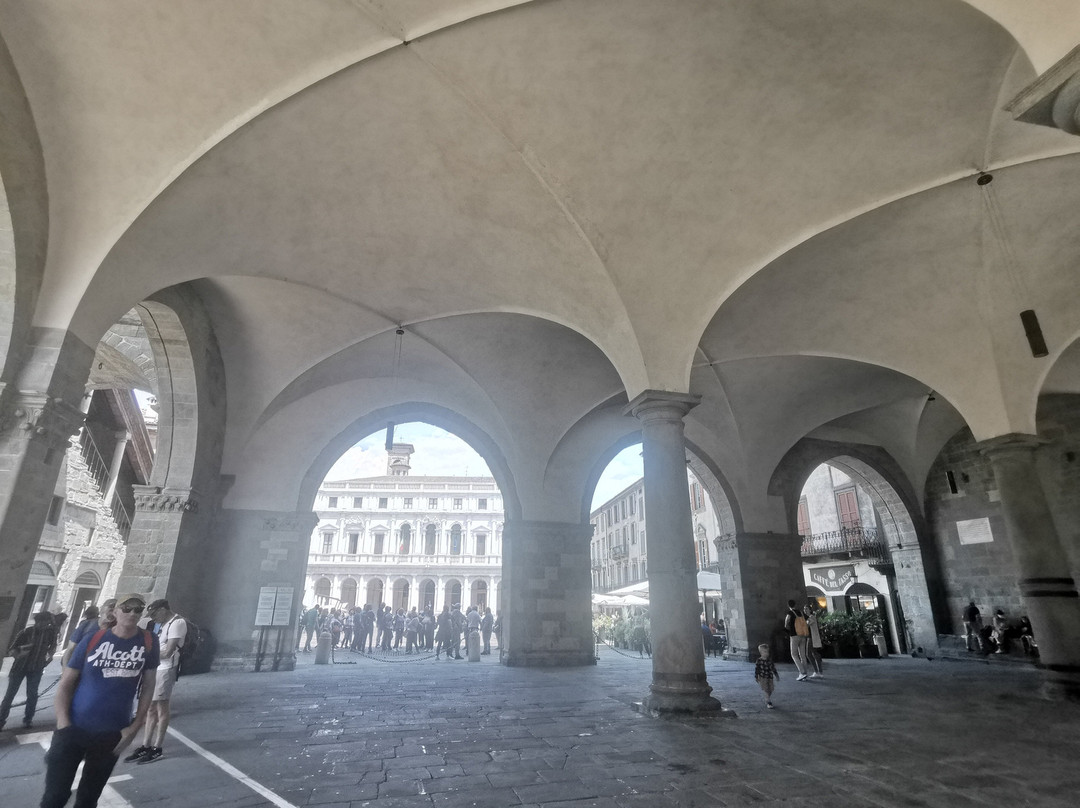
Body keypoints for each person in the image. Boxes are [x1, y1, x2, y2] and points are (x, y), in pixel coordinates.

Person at [39, 593, 158, 808]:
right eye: (127, 608)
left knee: (88, 799)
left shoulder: (149, 641)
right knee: (54, 797)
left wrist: (134, 727)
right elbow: (66, 684)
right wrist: (63, 724)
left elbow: (149, 685)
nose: (132, 613)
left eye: (138, 609)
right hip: (74, 728)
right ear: (115, 611)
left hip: (112, 732)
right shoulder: (93, 639)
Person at [126, 599, 186, 765]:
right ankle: (146, 745)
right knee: (151, 708)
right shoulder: (159, 624)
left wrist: (145, 653)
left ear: (163, 609)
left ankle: (157, 747)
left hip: (166, 669)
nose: (153, 618)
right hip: (154, 668)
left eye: (154, 614)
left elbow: (168, 652)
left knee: (161, 706)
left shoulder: (177, 623)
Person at [1, 611, 57, 731]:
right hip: (19, 668)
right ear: (39, 622)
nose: (46, 625)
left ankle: (28, 719)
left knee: (32, 695)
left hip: (36, 668)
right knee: (10, 695)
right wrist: (21, 651)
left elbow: (52, 648)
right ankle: (1, 720)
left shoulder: (51, 634)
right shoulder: (26, 632)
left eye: (47, 623)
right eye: (45, 623)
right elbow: (12, 650)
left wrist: (48, 658)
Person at [784, 599, 809, 681]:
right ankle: (805, 673)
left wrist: (788, 630)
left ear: (788, 605)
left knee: (794, 654)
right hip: (802, 635)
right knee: (803, 655)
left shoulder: (790, 613)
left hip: (794, 635)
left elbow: (786, 623)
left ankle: (801, 672)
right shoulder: (801, 612)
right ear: (795, 604)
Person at [754, 643, 780, 709]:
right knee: (765, 689)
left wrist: (776, 675)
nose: (766, 653)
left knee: (771, 689)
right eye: (764, 652)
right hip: (762, 677)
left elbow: (773, 668)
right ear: (761, 652)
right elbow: (757, 669)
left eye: (767, 651)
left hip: (769, 677)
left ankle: (767, 697)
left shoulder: (770, 660)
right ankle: (769, 702)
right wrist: (756, 677)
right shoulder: (759, 661)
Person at [804, 605, 824, 678]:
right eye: (804, 609)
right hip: (811, 638)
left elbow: (806, 625)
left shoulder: (811, 617)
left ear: (810, 610)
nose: (805, 610)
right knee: (813, 653)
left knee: (809, 653)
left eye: (806, 609)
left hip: (811, 638)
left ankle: (817, 671)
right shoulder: (811, 617)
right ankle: (819, 671)